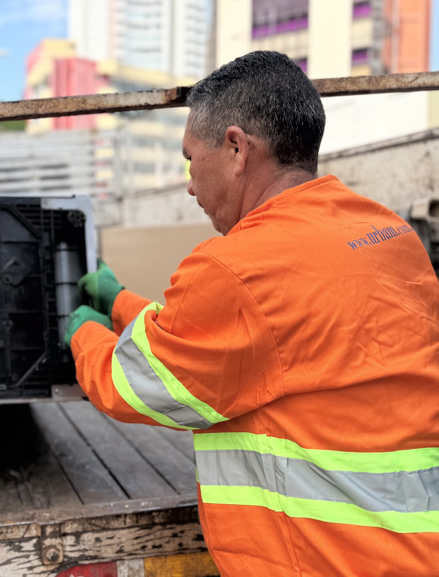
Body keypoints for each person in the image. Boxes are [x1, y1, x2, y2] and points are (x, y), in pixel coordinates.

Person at [64, 51, 439, 575]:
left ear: (237, 148)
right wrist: (120, 300)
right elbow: (241, 342)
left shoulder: (235, 268)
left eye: (191, 160)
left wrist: (81, 332)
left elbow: (129, 383)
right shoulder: (389, 233)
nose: (191, 185)